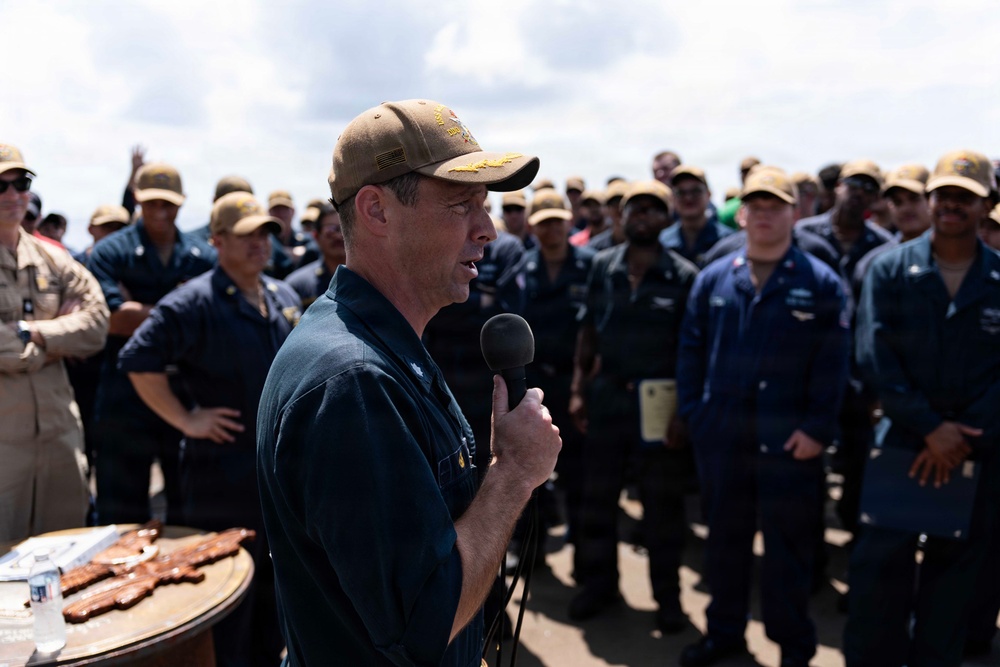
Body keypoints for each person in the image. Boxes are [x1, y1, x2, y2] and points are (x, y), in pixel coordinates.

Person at [256, 98, 561, 666]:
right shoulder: (353, 381)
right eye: (461, 204)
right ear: (376, 211)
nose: (488, 229)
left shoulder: (372, 343)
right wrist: (514, 473)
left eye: (486, 206)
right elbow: (427, 621)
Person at [677, 166, 850, 667]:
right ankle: (724, 635)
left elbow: (834, 363)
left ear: (795, 213)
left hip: (791, 445)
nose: (765, 215)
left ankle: (794, 648)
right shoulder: (715, 278)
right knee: (724, 545)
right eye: (757, 206)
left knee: (787, 553)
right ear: (743, 214)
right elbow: (690, 350)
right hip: (723, 440)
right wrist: (695, 414)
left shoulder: (821, 283)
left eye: (777, 205)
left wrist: (818, 430)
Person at [120, 192, 299, 667]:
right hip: (222, 477)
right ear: (217, 241)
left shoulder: (282, 296)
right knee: (226, 600)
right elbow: (137, 358)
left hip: (277, 476)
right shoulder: (191, 302)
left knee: (275, 598)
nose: (260, 243)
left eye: (265, 233)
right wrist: (185, 419)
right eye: (246, 235)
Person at [843, 149, 1000, 667]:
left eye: (967, 197)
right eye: (945, 194)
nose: (953, 204)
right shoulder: (889, 270)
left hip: (975, 451)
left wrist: (961, 435)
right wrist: (932, 428)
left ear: (985, 206)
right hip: (904, 446)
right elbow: (874, 357)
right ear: (931, 199)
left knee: (953, 588)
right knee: (878, 580)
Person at [567, 180, 698, 634]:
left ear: (666, 218)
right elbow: (588, 332)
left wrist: (684, 411)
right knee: (597, 500)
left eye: (652, 209)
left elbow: (692, 350)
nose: (642, 217)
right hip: (608, 397)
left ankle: (668, 600)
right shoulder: (604, 266)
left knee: (662, 509)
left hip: (660, 405)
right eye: (633, 209)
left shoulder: (684, 275)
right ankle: (600, 587)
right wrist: (579, 388)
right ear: (621, 217)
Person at [88, 161, 217, 525]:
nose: (160, 212)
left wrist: (138, 309)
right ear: (138, 201)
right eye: (152, 203)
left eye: (169, 204)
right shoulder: (111, 252)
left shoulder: (202, 254)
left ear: (182, 203)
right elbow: (112, 319)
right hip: (123, 395)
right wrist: (181, 308)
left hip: (186, 390)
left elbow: (212, 318)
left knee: (188, 506)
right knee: (120, 512)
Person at [0, 143, 109, 542]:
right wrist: (60, 336)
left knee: (67, 553)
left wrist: (34, 333)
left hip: (60, 436)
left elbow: (97, 324)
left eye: (21, 183)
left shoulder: (53, 259)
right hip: (4, 447)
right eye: (1, 185)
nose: (12, 195)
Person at [512, 189, 595, 553]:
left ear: (569, 221)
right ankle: (534, 550)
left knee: (580, 474)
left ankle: (582, 553)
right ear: (533, 227)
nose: (552, 231)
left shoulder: (592, 266)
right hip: (536, 385)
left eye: (557, 222)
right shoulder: (522, 269)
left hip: (578, 385)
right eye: (544, 224)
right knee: (531, 476)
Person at [659, 166, 733, 267]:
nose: (688, 198)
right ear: (672, 199)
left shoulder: (728, 241)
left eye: (696, 191)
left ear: (708, 194)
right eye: (681, 193)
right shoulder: (662, 243)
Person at [285, 202, 346, 307]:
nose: (338, 236)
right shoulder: (297, 285)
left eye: (344, 229)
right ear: (316, 236)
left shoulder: (373, 279)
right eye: (331, 230)